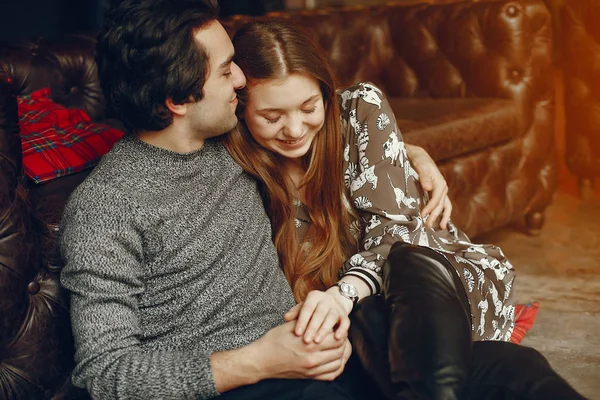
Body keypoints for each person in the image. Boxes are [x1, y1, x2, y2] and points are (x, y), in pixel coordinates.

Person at [58, 1, 443, 399]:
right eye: (227, 70)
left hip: (306, 350)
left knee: (490, 359)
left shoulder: (229, 142)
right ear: (178, 99)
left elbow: (326, 117)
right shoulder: (105, 208)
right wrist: (259, 360)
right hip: (235, 383)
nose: (241, 78)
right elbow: (104, 371)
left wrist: (408, 153)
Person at [223, 19, 587, 399]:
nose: (295, 129)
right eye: (272, 117)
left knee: (408, 268)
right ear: (241, 110)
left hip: (427, 282)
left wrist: (342, 294)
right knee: (383, 331)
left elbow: (396, 233)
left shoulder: (360, 108)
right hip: (349, 312)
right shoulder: (232, 159)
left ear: (326, 93)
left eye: (308, 106)